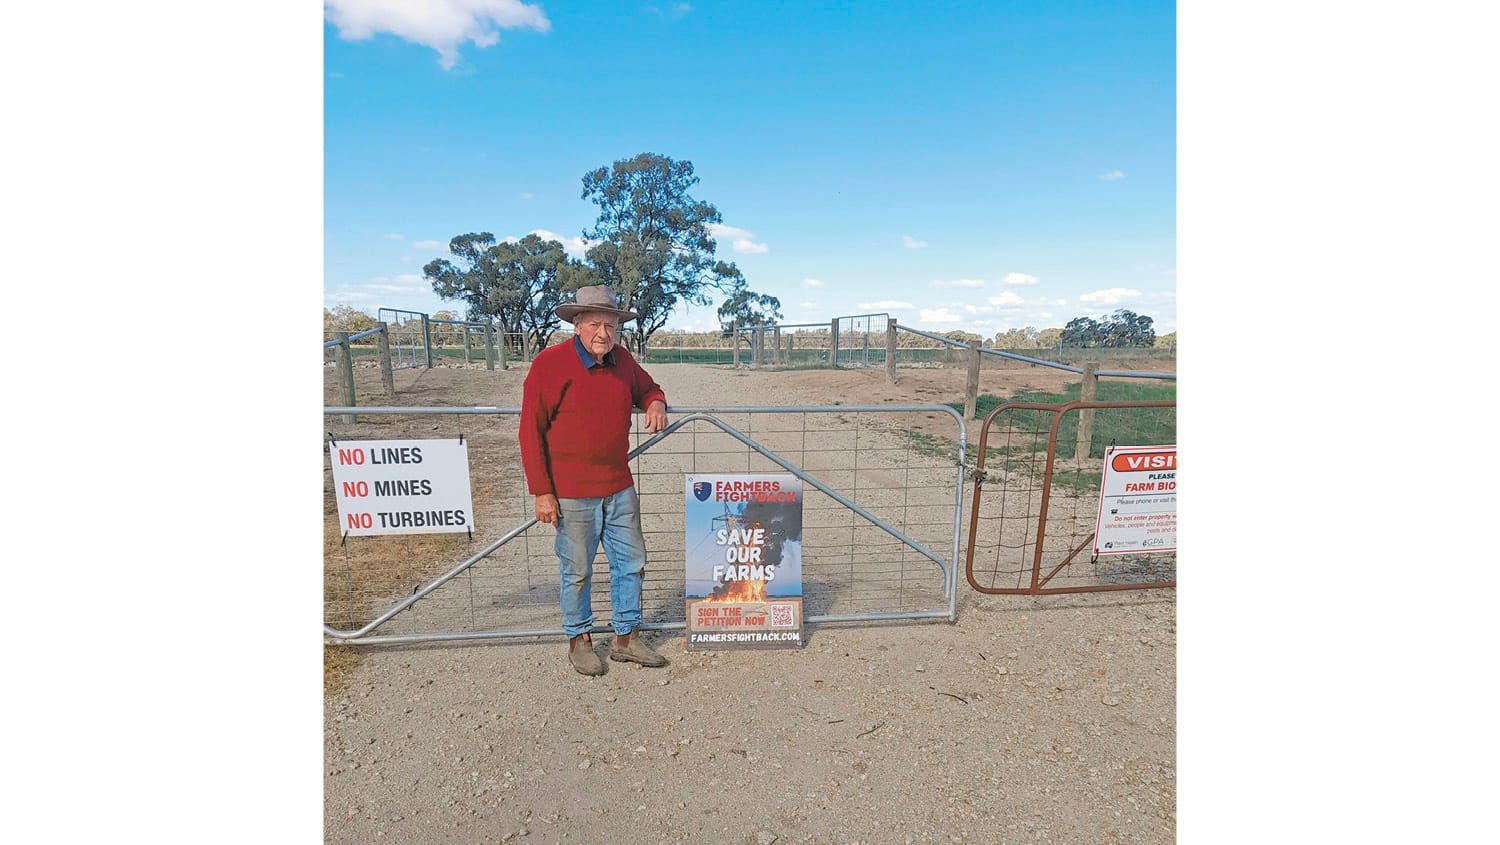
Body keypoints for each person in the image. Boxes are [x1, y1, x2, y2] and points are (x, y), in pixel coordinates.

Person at [518, 285, 671, 676]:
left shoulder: (622, 360)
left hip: (618, 486)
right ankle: (579, 639)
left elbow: (648, 386)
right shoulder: (549, 365)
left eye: (611, 325)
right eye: (595, 324)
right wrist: (542, 491)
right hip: (570, 493)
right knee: (578, 570)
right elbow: (530, 432)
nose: (604, 333)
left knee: (631, 563)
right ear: (577, 326)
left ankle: (626, 637)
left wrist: (655, 401)